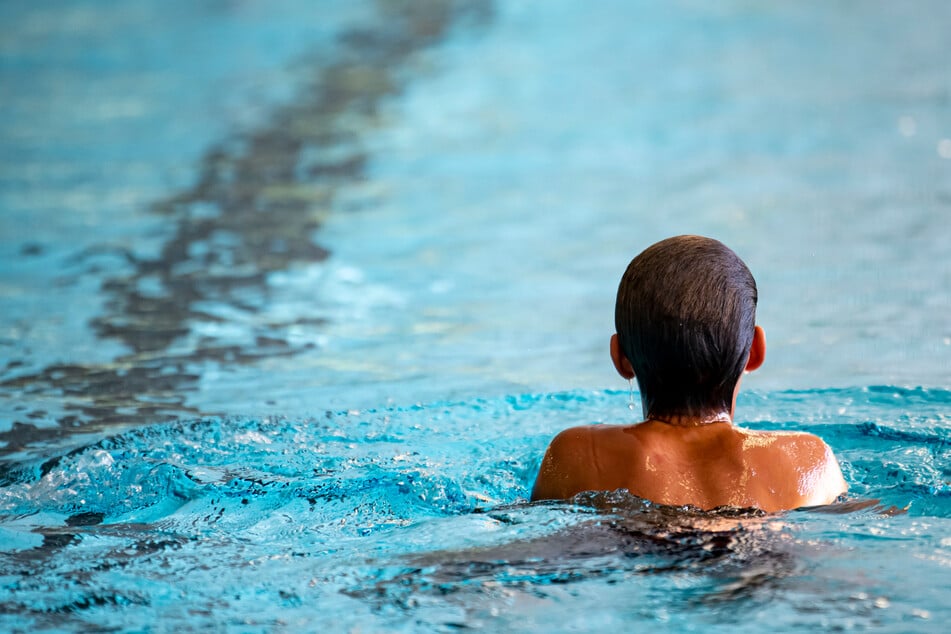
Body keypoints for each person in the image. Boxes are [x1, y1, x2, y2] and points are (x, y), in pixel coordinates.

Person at [531, 235, 847, 512]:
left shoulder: (577, 453)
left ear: (620, 358)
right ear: (755, 352)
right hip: (758, 557)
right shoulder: (806, 459)